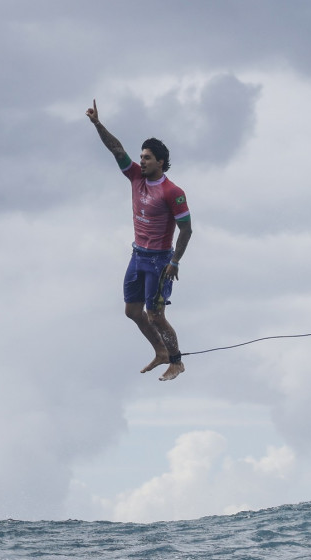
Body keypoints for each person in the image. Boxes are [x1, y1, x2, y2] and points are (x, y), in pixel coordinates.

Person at [86, 99, 192, 381]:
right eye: (141, 157)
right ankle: (160, 351)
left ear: (160, 161)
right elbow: (116, 149)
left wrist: (176, 261)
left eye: (147, 158)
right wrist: (98, 124)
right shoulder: (136, 177)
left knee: (156, 314)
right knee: (132, 311)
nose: (141, 161)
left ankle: (177, 361)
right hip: (137, 256)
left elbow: (187, 229)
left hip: (159, 261)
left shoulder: (172, 192)